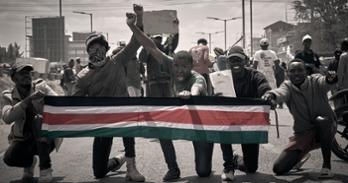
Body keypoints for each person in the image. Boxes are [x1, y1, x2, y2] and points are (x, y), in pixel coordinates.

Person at [126, 12, 214, 181]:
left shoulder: (198, 77)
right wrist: (132, 26)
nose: (179, 70)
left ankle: (218, 155)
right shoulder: (170, 65)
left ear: (192, 66)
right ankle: (173, 168)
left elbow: (197, 87)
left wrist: (190, 93)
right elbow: (150, 46)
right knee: (162, 129)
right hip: (181, 118)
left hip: (200, 125)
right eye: (176, 66)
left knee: (203, 172)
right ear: (172, 65)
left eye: (184, 67)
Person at [73, 5, 145, 182]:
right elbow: (74, 102)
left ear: (106, 49)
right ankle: (119, 159)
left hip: (123, 113)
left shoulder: (118, 61)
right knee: (98, 173)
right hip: (102, 120)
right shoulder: (82, 77)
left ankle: (131, 167)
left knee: (128, 131)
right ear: (87, 52)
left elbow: (136, 42)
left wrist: (137, 20)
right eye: (92, 48)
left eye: (99, 47)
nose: (96, 51)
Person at [262, 58, 337, 178]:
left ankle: (326, 166)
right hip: (303, 133)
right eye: (292, 71)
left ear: (306, 72)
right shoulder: (287, 86)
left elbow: (326, 83)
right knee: (279, 168)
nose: (296, 73)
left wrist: (330, 78)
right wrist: (271, 95)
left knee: (321, 121)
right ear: (287, 73)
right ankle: (302, 154)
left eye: (300, 70)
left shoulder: (315, 80)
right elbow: (280, 92)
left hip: (326, 126)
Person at [1, 63, 62, 183]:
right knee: (9, 158)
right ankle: (29, 163)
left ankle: (46, 168)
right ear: (14, 78)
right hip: (23, 139)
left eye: (28, 73)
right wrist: (28, 100)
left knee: (37, 120)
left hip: (46, 138)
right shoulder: (8, 95)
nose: (27, 76)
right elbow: (7, 118)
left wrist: (48, 97)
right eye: (22, 74)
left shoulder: (42, 87)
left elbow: (58, 101)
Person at [219, 46, 272, 181]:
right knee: (222, 126)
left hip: (249, 123)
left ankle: (236, 159)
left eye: (239, 60)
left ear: (246, 60)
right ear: (227, 62)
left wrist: (267, 95)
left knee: (251, 168)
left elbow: (264, 87)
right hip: (229, 122)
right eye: (232, 60)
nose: (236, 63)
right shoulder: (221, 78)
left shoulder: (256, 75)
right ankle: (228, 165)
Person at [139, 32, 179, 97]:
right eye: (156, 38)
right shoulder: (148, 49)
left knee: (168, 104)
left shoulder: (165, 48)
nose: (159, 40)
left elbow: (174, 43)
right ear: (152, 39)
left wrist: (176, 32)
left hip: (166, 81)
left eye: (160, 38)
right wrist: (146, 45)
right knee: (156, 105)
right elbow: (142, 58)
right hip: (154, 81)